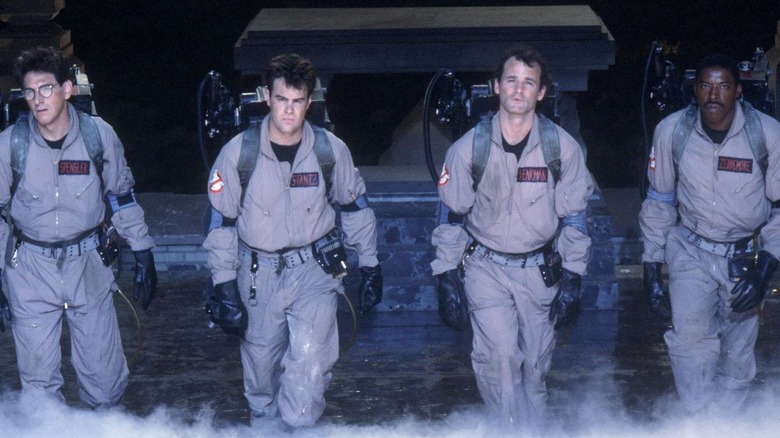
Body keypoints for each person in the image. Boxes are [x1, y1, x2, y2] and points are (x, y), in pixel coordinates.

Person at [203, 53, 383, 429]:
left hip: (314, 273)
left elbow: (354, 207)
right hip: (258, 276)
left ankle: (300, 428)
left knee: (309, 366)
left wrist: (370, 265)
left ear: (309, 103)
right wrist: (222, 286)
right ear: (267, 97)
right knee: (261, 375)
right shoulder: (238, 154)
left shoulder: (330, 150)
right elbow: (220, 224)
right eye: (282, 99)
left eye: (298, 101)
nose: (289, 110)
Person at [431, 44, 593, 431]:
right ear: (496, 87)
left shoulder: (563, 150)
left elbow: (575, 219)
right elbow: (451, 216)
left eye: (528, 83)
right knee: (500, 360)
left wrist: (573, 277)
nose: (519, 90)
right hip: (485, 268)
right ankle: (504, 430)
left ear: (541, 92)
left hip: (540, 271)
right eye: (511, 81)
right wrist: (445, 276)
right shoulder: (469, 148)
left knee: (535, 369)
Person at [0, 46, 158, 407]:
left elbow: (121, 196)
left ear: (67, 90)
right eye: (29, 91)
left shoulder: (98, 136)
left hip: (88, 262)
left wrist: (143, 250)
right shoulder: (11, 145)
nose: (37, 100)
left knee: (105, 382)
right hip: (30, 269)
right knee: (39, 383)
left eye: (46, 89)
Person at [640, 53, 780, 414]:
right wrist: (652, 266)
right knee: (690, 344)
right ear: (695, 90)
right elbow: (659, 200)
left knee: (736, 352)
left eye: (723, 86)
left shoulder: (767, 134)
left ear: (737, 91)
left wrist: (767, 265)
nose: (714, 94)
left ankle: (727, 425)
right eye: (705, 86)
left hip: (744, 256)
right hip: (690, 249)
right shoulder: (672, 131)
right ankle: (697, 422)